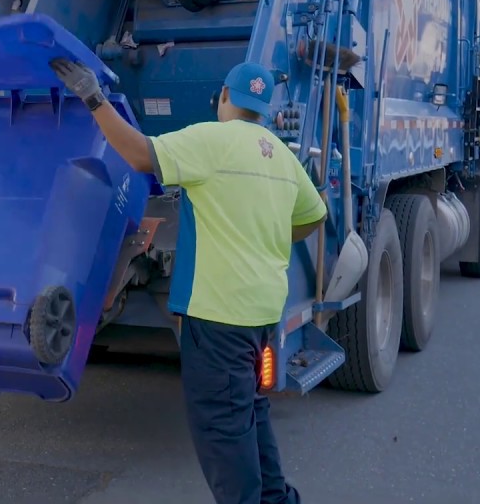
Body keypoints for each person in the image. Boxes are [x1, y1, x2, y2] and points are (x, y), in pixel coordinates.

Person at [49, 57, 326, 504]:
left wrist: (93, 98)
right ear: (262, 108)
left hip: (217, 317)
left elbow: (140, 154)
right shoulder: (280, 155)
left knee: (224, 432)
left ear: (223, 97)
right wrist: (266, 233)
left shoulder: (210, 140)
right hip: (260, 314)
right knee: (250, 413)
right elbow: (315, 216)